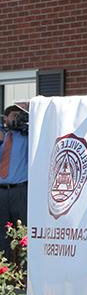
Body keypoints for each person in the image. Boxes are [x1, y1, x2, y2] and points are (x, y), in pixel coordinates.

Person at [0, 105, 28, 260]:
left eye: (20, 116)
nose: (17, 119)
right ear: (5, 118)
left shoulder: (25, 137)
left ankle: (24, 274)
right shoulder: (2, 137)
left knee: (23, 231)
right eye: (14, 116)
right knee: (2, 234)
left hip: (20, 191)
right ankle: (5, 272)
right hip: (2, 192)